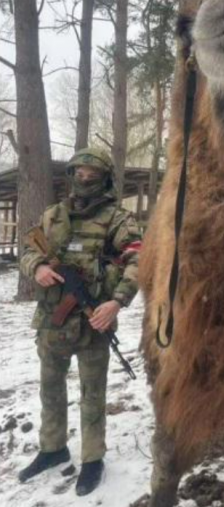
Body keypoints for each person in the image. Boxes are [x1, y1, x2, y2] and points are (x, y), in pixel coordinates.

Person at [18, 147, 141, 496]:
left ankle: (92, 459)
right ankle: (53, 448)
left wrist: (117, 302)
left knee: (92, 394)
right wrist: (37, 267)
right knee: (50, 390)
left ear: (104, 178)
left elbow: (137, 258)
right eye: (80, 172)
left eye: (92, 173)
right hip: (52, 322)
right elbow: (29, 249)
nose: (85, 178)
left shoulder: (117, 218)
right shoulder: (53, 215)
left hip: (93, 321)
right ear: (71, 176)